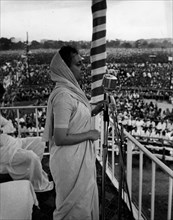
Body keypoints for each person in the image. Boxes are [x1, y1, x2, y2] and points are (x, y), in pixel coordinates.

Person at [42, 45, 103, 220]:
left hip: (77, 159)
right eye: (78, 64)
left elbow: (75, 117)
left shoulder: (71, 92)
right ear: (65, 69)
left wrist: (94, 110)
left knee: (81, 206)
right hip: (69, 162)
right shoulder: (63, 96)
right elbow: (60, 138)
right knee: (73, 211)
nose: (82, 68)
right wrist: (89, 134)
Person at [0, 83, 53, 192]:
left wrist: (1, 130)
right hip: (4, 152)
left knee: (40, 141)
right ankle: (37, 185)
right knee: (31, 157)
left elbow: (10, 126)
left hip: (12, 142)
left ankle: (33, 174)